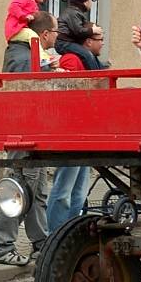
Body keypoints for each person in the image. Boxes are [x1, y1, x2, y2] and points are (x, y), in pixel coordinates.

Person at [0, 12, 58, 265]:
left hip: (32, 133)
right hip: (23, 134)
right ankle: (1, 246)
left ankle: (40, 243)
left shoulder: (28, 53)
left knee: (37, 190)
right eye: (56, 32)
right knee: (19, 190)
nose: (57, 37)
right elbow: (22, 92)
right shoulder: (23, 56)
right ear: (45, 34)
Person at [47, 31, 107, 231]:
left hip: (84, 132)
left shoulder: (87, 59)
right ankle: (56, 235)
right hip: (71, 132)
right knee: (64, 189)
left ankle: (73, 232)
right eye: (100, 39)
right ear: (88, 41)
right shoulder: (73, 59)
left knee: (79, 192)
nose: (103, 43)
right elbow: (72, 94)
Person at [4, 0, 55, 65]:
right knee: (33, 36)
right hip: (15, 29)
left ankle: (43, 56)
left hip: (19, 29)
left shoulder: (31, 1)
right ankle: (42, 59)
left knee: (33, 36)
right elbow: (13, 7)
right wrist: (24, 16)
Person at [55, 0, 103, 70]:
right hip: (64, 43)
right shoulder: (73, 13)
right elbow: (78, 31)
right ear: (85, 1)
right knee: (87, 55)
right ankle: (96, 77)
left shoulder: (76, 12)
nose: (91, 2)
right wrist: (93, 30)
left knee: (90, 55)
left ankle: (102, 72)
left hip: (68, 42)